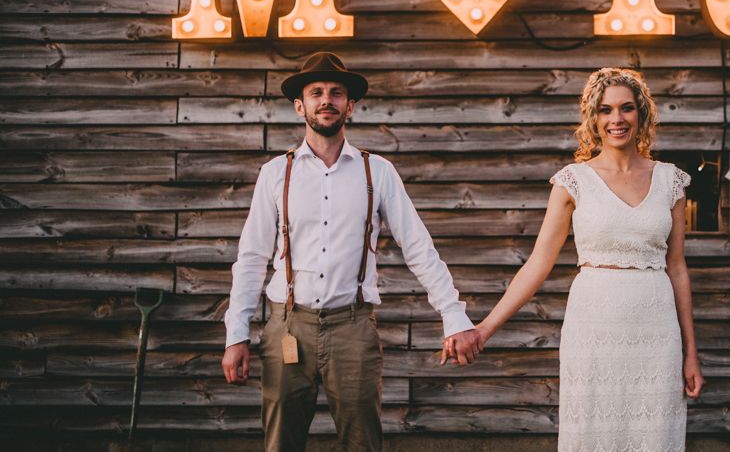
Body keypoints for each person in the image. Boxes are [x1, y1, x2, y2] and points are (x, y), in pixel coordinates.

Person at [222, 51, 481, 452]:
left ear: (350, 106)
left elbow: (419, 248)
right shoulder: (276, 173)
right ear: (300, 105)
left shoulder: (375, 171)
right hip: (287, 326)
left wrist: (454, 316)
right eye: (317, 92)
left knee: (362, 442)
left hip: (353, 328)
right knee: (280, 443)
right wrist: (235, 334)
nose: (327, 100)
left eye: (336, 93)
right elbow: (252, 258)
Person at [442, 67, 704, 450]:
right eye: (605, 110)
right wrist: (484, 329)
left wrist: (690, 353)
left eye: (626, 109)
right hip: (594, 330)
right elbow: (538, 264)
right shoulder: (573, 181)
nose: (616, 119)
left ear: (641, 114)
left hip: (656, 333)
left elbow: (677, 267)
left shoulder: (671, 181)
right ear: (593, 119)